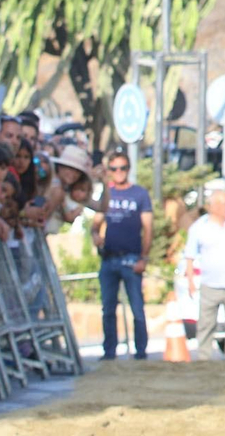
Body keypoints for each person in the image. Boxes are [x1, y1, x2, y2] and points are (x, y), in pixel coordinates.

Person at [91, 149, 152, 361]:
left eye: (122, 168)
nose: (119, 172)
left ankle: (141, 351)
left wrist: (144, 258)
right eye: (114, 168)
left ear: (128, 169)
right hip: (109, 258)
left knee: (137, 309)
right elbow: (96, 223)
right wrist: (95, 236)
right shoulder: (108, 194)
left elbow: (148, 228)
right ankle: (109, 351)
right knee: (108, 308)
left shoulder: (139, 194)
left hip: (131, 257)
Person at [183, 190, 225, 362]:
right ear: (213, 207)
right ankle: (204, 360)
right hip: (210, 285)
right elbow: (189, 255)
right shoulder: (200, 227)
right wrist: (190, 281)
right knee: (206, 324)